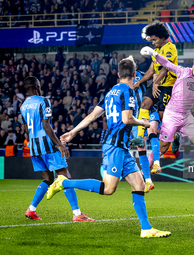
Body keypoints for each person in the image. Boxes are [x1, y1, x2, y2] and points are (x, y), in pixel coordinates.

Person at [47, 57, 171, 238]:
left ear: (119, 74)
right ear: (135, 75)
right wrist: (143, 122)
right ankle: (64, 182)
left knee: (139, 184)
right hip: (115, 146)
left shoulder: (111, 92)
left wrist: (72, 132)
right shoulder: (127, 92)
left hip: (122, 146)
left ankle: (146, 229)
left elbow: (91, 117)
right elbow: (127, 119)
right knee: (108, 189)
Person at [138, 46, 194, 191]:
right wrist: (154, 53)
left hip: (186, 117)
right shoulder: (183, 72)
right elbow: (167, 64)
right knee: (163, 148)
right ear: (193, 66)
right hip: (172, 115)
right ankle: (143, 173)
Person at [20, 76, 94, 222]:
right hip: (47, 144)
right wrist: (59, 144)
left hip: (34, 147)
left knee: (48, 179)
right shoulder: (43, 101)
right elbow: (46, 125)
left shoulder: (22, 106)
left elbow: (27, 129)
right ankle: (77, 214)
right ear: (36, 86)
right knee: (65, 176)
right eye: (39, 85)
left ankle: (31, 210)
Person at [130, 21, 178, 175]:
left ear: (163, 37)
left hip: (168, 85)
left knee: (163, 115)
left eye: (155, 39)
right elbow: (152, 69)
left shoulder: (170, 48)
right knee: (144, 104)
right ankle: (139, 137)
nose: (153, 42)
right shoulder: (157, 49)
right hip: (157, 83)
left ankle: (176, 134)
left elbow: (166, 67)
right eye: (151, 40)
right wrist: (139, 82)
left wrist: (156, 83)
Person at [131, 70, 161, 193]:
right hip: (136, 115)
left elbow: (155, 75)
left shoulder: (141, 73)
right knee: (141, 148)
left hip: (150, 109)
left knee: (152, 131)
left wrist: (154, 81)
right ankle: (148, 181)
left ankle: (157, 163)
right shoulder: (122, 83)